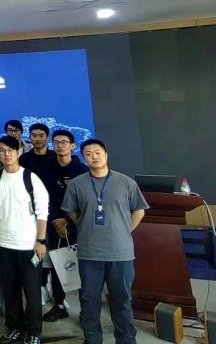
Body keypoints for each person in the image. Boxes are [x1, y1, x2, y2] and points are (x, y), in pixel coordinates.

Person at [62, 139, 149, 344]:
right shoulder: (76, 184)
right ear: (84, 158)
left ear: (106, 155)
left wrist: (125, 230)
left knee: (122, 300)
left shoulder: (126, 183)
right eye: (89, 154)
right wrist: (84, 224)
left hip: (120, 253)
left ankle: (126, 339)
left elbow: (139, 211)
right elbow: (71, 211)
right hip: (89, 252)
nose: (94, 156)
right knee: (89, 300)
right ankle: (92, 340)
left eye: (98, 152)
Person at [0, 136, 50, 344]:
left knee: (32, 292)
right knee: (10, 291)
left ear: (18, 152)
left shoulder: (30, 178)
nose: (6, 154)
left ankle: (33, 332)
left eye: (10, 150)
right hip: (4, 245)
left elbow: (42, 211)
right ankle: (14, 328)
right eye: (2, 150)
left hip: (29, 246)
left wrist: (41, 241)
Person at [40, 129, 87, 323]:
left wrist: (66, 220)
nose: (60, 145)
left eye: (64, 142)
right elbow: (44, 198)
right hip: (53, 224)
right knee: (58, 265)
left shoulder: (82, 170)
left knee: (83, 268)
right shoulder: (47, 169)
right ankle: (59, 306)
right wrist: (55, 221)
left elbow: (85, 201)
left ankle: (86, 309)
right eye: (56, 142)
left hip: (77, 224)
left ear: (73, 145)